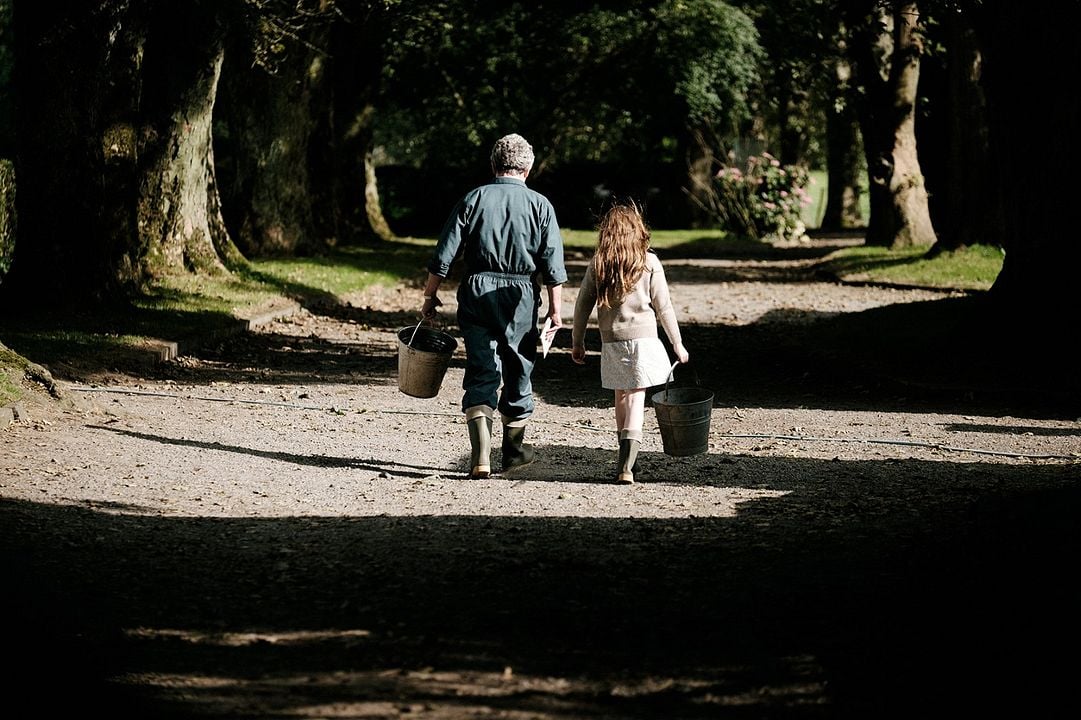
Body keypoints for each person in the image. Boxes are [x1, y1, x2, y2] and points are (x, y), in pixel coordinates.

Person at [421, 133, 567, 479]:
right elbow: (553, 266)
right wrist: (556, 312)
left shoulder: (474, 198)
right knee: (518, 366)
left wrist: (430, 296)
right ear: (528, 169)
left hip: (477, 289)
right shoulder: (541, 205)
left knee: (482, 366)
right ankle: (514, 453)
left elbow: (443, 255)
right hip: (521, 295)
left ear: (493, 165)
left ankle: (481, 456)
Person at [571, 200, 689, 484]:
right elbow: (665, 307)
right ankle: (626, 465)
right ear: (638, 231)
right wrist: (677, 343)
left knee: (621, 397)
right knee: (636, 398)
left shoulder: (599, 263)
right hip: (644, 341)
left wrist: (578, 341)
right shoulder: (649, 261)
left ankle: (627, 461)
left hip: (611, 343)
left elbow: (581, 306)